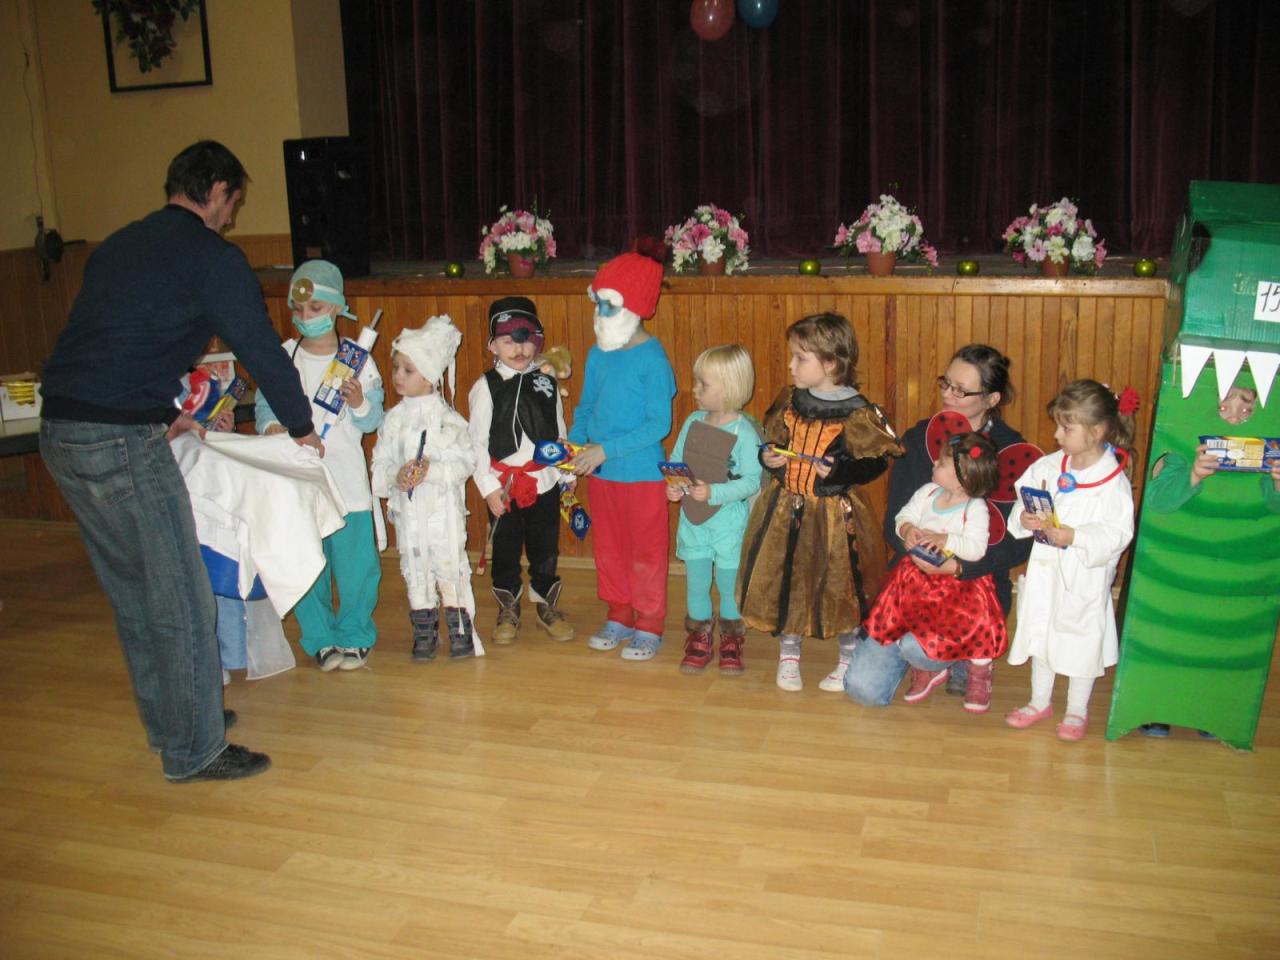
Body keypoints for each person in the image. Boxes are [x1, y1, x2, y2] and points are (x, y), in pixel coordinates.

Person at [38, 140, 320, 783]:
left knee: (136, 593)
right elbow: (258, 346)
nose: (232, 216)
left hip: (62, 431)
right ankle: (196, 750)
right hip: (118, 439)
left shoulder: (119, 245)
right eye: (233, 203)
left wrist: (166, 413)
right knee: (182, 596)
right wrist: (302, 426)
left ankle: (176, 725)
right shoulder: (213, 258)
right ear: (216, 191)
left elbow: (111, 342)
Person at [845, 344, 1034, 705]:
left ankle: (960, 654)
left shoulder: (1010, 451)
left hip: (974, 586)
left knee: (920, 649)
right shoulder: (920, 439)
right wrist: (908, 536)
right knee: (863, 690)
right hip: (913, 579)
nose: (948, 395)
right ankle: (941, 656)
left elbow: (1018, 542)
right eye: (946, 383)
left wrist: (959, 567)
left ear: (992, 398)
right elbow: (895, 517)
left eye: (961, 390)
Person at [737, 313, 900, 692]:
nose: (790, 365)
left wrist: (841, 470)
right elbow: (774, 440)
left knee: (841, 584)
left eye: (800, 358)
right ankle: (789, 650)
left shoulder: (858, 411)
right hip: (785, 510)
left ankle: (848, 655)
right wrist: (768, 457)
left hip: (834, 516)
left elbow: (876, 461)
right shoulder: (791, 400)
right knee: (787, 577)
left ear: (830, 363)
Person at [256, 260, 385, 671]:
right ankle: (319, 637)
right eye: (297, 309)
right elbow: (265, 407)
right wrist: (274, 427)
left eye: (314, 308)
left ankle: (354, 634)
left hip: (347, 482)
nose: (305, 317)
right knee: (308, 564)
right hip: (300, 482)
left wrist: (358, 402)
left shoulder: (358, 360)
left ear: (336, 308)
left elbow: (372, 420)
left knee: (356, 567)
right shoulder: (283, 357)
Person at [1135, 381, 1280, 738]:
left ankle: (1210, 710)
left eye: (1247, 408)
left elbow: (1273, 506)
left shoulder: (1265, 458)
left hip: (1232, 566)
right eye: (1224, 406)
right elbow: (1158, 502)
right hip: (1179, 565)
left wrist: (1277, 484)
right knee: (1171, 636)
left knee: (1219, 640)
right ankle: (1158, 706)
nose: (1235, 417)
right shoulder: (1182, 448)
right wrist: (1194, 474)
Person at [1004, 380, 1136, 741]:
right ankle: (1039, 701)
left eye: (1066, 428)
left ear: (1096, 431)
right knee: (1042, 632)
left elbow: (1117, 533)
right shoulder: (1048, 466)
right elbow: (1021, 502)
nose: (1056, 434)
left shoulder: (1112, 482)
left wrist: (1075, 537)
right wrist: (1024, 519)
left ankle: (1077, 710)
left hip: (1083, 577)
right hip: (1045, 570)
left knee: (1081, 640)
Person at [566, 239, 676, 661]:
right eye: (597, 304)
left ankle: (649, 623)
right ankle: (619, 614)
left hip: (642, 476)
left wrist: (604, 450)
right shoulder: (598, 354)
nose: (599, 314)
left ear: (635, 306)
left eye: (607, 306)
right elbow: (586, 406)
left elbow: (658, 425)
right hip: (602, 475)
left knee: (646, 553)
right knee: (609, 549)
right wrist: (574, 448)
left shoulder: (653, 360)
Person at [850, 433, 1008, 711]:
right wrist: (908, 529)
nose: (934, 463)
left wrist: (947, 540)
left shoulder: (975, 508)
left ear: (962, 479)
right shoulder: (927, 493)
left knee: (969, 627)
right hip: (914, 580)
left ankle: (976, 670)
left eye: (942, 463)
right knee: (900, 622)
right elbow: (903, 516)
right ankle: (927, 668)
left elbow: (976, 549)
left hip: (956, 589)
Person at [371, 315, 479, 660]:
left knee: (449, 564)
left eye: (408, 370)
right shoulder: (393, 420)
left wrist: (431, 471)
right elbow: (380, 464)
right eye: (396, 368)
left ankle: (459, 629)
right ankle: (423, 630)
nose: (398, 376)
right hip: (409, 514)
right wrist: (396, 476)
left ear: (430, 375)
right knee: (415, 567)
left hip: (443, 514)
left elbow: (466, 463)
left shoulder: (448, 420)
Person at [468, 297, 574, 645]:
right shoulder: (485, 387)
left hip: (543, 481)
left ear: (537, 342)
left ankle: (545, 603)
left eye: (526, 339)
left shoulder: (547, 383)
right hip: (504, 486)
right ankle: (508, 608)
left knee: (545, 548)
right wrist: (488, 488)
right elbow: (476, 443)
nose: (519, 348)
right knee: (506, 550)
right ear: (493, 345)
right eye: (508, 340)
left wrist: (566, 474)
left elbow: (558, 431)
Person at [665, 345, 762, 674]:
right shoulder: (693, 422)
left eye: (703, 384)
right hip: (693, 522)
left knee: (728, 585)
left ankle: (731, 638)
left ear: (729, 387)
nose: (695, 389)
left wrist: (715, 492)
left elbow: (751, 482)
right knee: (696, 582)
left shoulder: (744, 433)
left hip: (728, 526)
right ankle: (699, 636)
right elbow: (677, 462)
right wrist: (674, 486)